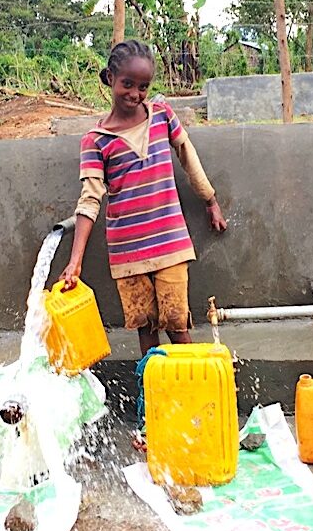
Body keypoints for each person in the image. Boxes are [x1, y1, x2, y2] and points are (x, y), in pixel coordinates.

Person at [58, 39, 227, 359]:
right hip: (127, 254)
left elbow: (187, 156)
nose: (135, 94)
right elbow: (90, 199)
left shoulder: (162, 116)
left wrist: (210, 199)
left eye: (144, 86)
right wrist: (75, 261)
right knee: (146, 329)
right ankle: (153, 395)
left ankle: (188, 392)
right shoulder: (95, 141)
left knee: (178, 326)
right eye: (128, 84)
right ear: (110, 78)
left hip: (170, 245)